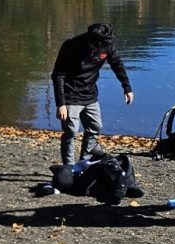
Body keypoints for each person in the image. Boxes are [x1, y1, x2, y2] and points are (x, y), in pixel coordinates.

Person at [51, 22, 134, 167]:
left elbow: (117, 64)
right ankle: (69, 168)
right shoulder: (71, 46)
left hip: (90, 94)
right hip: (70, 95)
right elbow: (58, 75)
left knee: (95, 127)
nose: (104, 47)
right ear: (92, 41)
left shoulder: (106, 44)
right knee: (70, 132)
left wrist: (127, 87)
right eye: (100, 45)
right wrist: (61, 104)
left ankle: (84, 161)